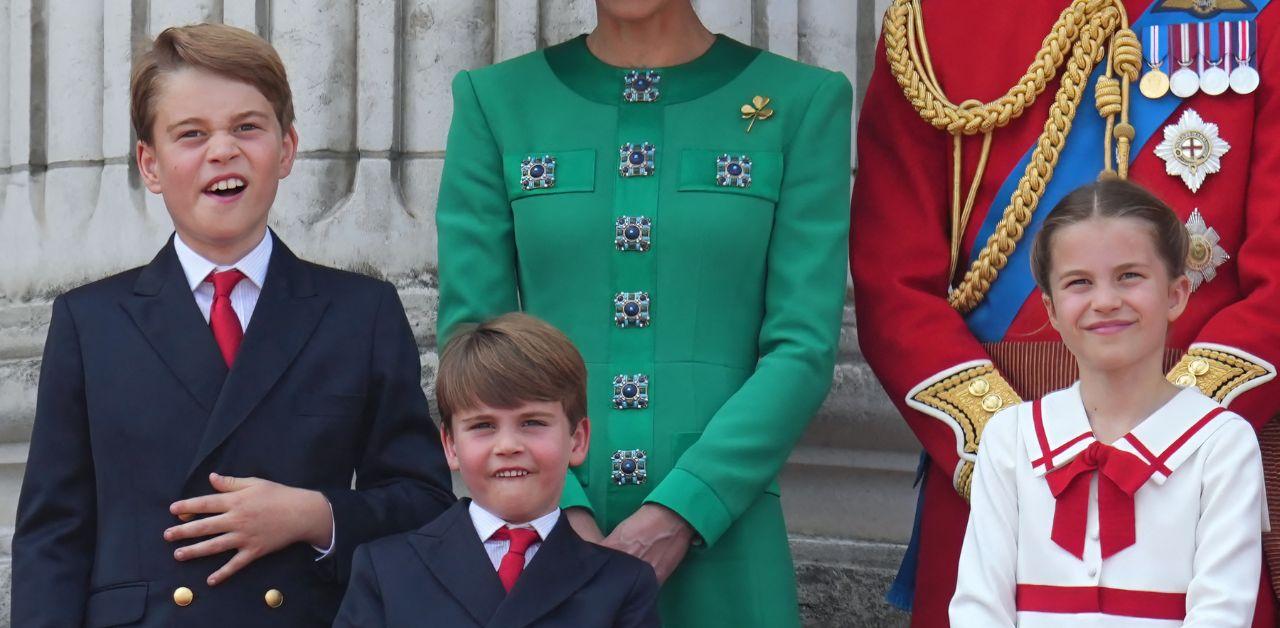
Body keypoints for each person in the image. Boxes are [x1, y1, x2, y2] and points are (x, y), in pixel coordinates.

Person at [851, 1, 1280, 624]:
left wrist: (1170, 434)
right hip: (993, 460)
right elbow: (892, 284)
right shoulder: (933, 20)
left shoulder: (1261, 13)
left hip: (1201, 458)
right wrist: (1014, 455)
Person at [11, 23, 454, 627]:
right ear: (151, 163)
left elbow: (424, 507)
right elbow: (53, 537)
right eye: (190, 134)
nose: (222, 150)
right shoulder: (91, 323)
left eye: (247, 127)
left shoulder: (361, 313)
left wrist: (314, 515)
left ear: (287, 148)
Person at [435, 0, 851, 624]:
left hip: (726, 538)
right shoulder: (496, 101)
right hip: (543, 530)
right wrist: (564, 509)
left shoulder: (799, 101)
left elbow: (802, 346)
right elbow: (474, 336)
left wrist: (682, 510)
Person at [951, 179, 1265, 626]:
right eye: (1079, 282)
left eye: (1129, 276)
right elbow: (978, 609)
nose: (1105, 301)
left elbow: (1222, 614)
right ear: (1052, 310)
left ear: (1176, 294)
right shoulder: (1010, 439)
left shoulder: (1222, 446)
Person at [334, 313, 661, 627]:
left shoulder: (622, 585)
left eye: (532, 422)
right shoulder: (386, 570)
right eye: (483, 425)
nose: (507, 445)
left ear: (577, 440)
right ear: (450, 446)